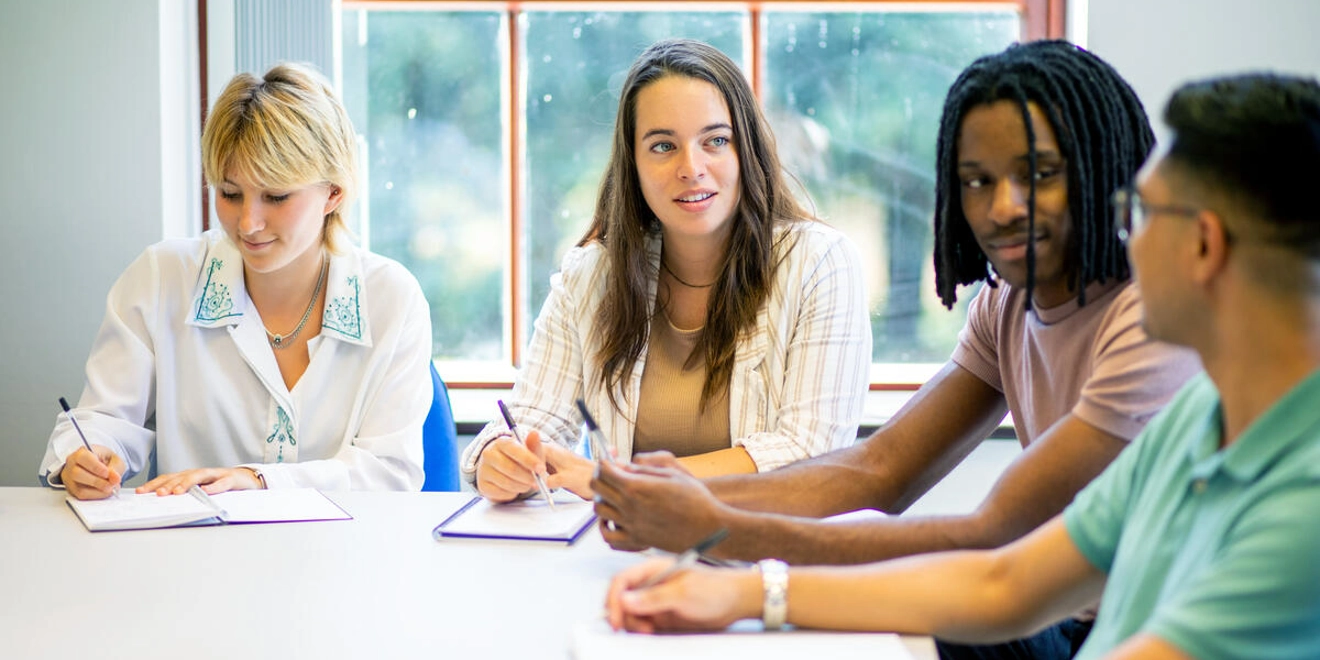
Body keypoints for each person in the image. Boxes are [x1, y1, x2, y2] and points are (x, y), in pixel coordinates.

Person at [605, 71, 1320, 660]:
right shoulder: (1203, 414)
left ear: (1203, 246)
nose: (1127, 232)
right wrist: (743, 592)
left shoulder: (1301, 514)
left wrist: (719, 532)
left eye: (1142, 209)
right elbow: (999, 579)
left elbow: (992, 541)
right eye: (977, 181)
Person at [462, 38, 871, 501]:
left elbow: (810, 452)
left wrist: (622, 483)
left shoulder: (820, 264)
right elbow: (531, 421)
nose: (691, 168)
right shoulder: (592, 274)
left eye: (716, 141)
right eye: (662, 146)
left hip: (767, 556)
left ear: (747, 150)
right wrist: (501, 456)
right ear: (631, 163)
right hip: (624, 555)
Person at [40, 63, 433, 499]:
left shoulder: (392, 299)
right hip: (196, 554)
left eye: (276, 196)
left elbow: (390, 476)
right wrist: (89, 453)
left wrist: (257, 480)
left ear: (334, 193)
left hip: (341, 558)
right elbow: (103, 420)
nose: (248, 222)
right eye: (230, 194)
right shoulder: (162, 279)